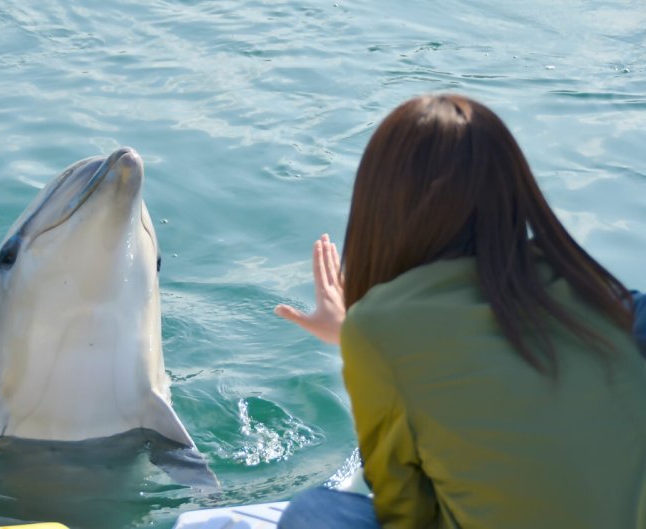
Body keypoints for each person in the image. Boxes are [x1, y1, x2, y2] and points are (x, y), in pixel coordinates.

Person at [274, 94, 646, 529]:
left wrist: (361, 340)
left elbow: (404, 511)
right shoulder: (597, 296)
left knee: (315, 513)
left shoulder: (379, 326)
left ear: (381, 203)